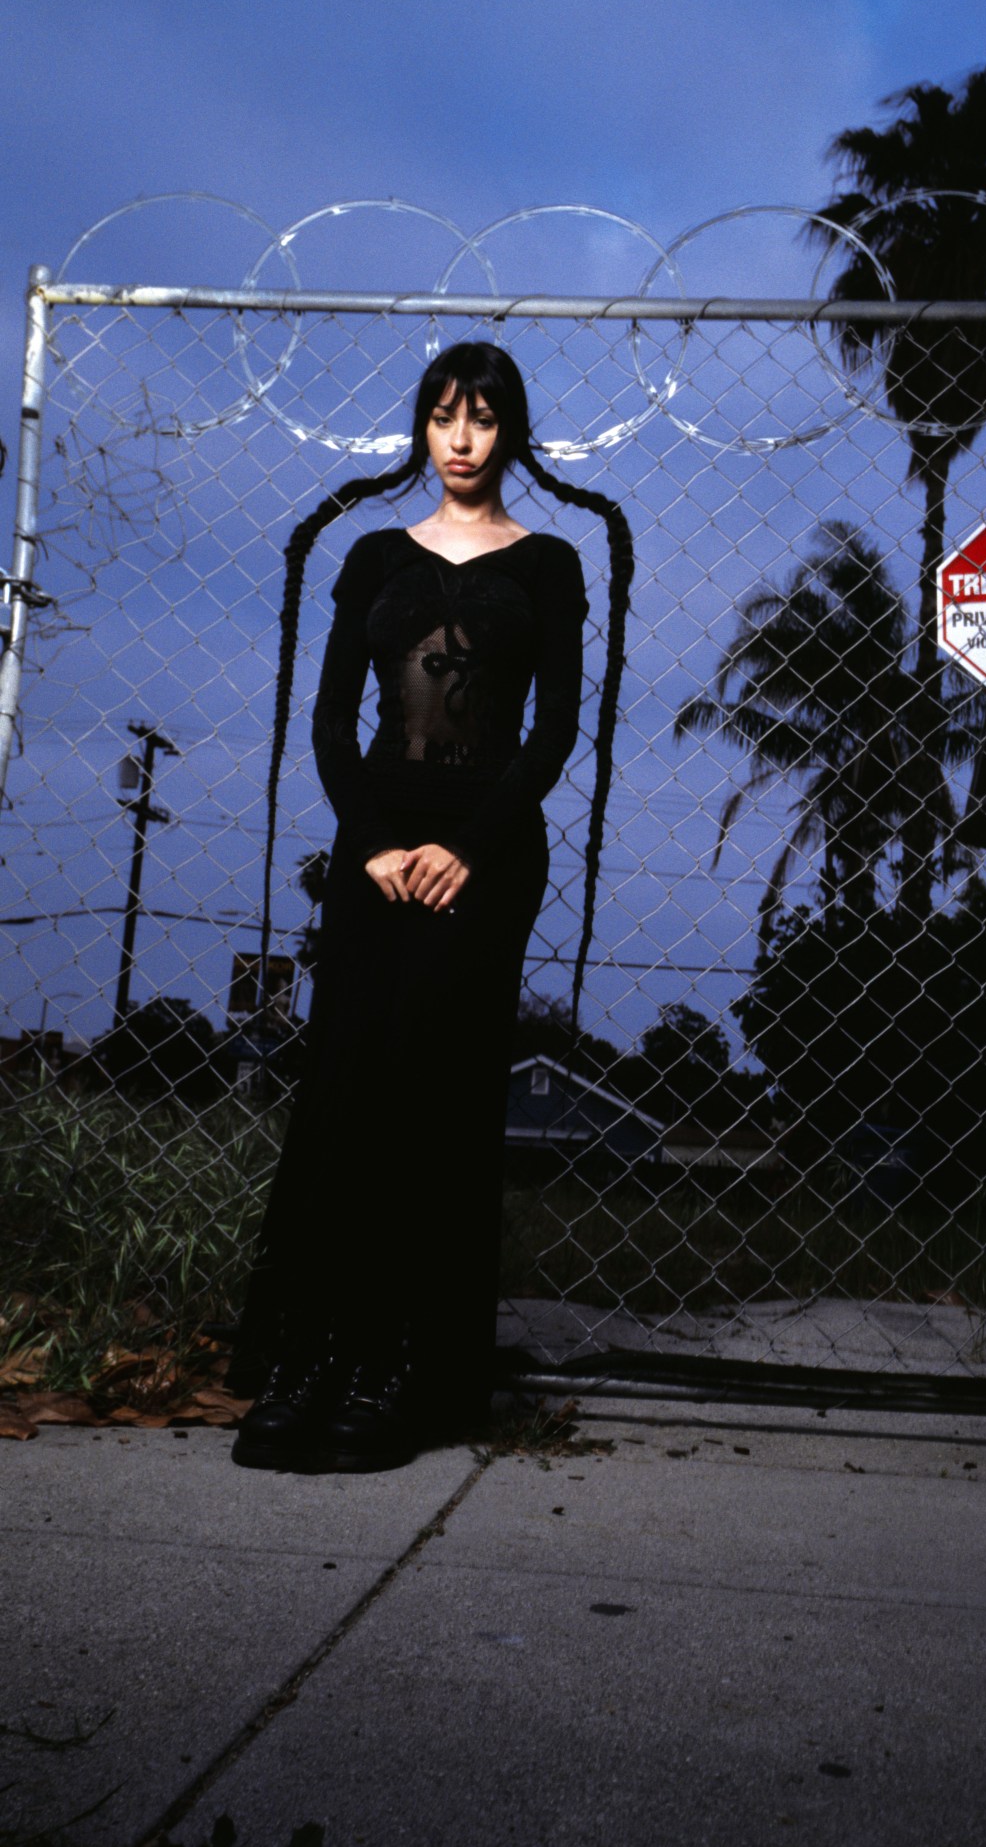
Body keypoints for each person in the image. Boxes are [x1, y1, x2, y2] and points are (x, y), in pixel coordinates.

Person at [227, 341, 632, 1473]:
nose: (461, 438)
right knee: (346, 1090)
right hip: (374, 844)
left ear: (513, 433)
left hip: (485, 850)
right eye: (443, 415)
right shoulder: (369, 553)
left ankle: (403, 1367)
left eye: (484, 418)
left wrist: (462, 845)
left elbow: (552, 733)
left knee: (433, 1094)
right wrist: (373, 842)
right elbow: (329, 723)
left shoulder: (549, 560)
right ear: (419, 425)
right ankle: (312, 1357)